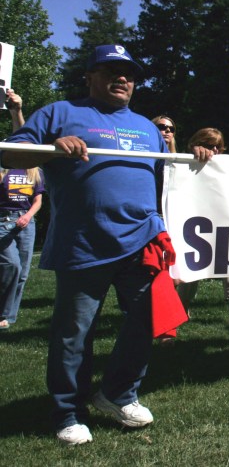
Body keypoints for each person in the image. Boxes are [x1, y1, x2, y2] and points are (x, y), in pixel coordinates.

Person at [0, 45, 212, 445]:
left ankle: (117, 393)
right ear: (90, 77)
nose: (122, 79)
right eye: (111, 70)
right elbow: (11, 154)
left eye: (129, 73)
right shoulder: (59, 113)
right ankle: (68, 412)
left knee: (149, 320)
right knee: (74, 333)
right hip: (84, 242)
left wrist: (199, 158)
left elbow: (173, 181)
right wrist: (52, 146)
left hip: (142, 241)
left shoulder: (147, 128)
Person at [175, 127, 229, 325]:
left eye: (218, 147)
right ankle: (182, 308)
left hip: (223, 222)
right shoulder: (187, 162)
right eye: (209, 145)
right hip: (196, 223)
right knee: (192, 266)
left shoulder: (226, 165)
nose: (215, 151)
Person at [0, 91, 45, 330]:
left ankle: (9, 316)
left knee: (23, 273)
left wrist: (28, 216)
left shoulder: (33, 169)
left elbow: (38, 198)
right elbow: (20, 139)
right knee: (11, 266)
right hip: (3, 221)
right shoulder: (3, 166)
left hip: (27, 222)